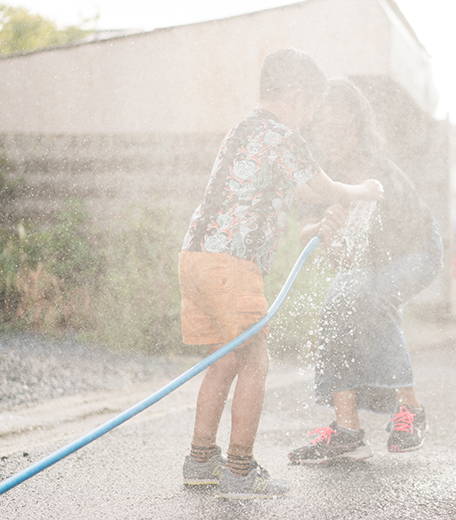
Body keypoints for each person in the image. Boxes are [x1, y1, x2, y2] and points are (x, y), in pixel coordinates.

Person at [178, 51, 383, 498]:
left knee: (224, 356)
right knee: (254, 359)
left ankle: (200, 460)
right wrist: (364, 191)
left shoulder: (244, 128)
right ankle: (238, 469)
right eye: (311, 108)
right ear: (296, 97)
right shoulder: (283, 135)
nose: (310, 120)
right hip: (233, 264)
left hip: (196, 259)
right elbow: (320, 188)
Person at [288, 79, 442, 464]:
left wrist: (343, 237)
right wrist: (324, 226)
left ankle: (410, 410)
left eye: (339, 129)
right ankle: (347, 431)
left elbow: (374, 260)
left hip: (416, 250)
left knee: (370, 298)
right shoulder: (320, 169)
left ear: (358, 127)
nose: (330, 138)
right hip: (370, 259)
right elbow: (307, 230)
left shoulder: (378, 173)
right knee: (336, 305)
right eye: (322, 129)